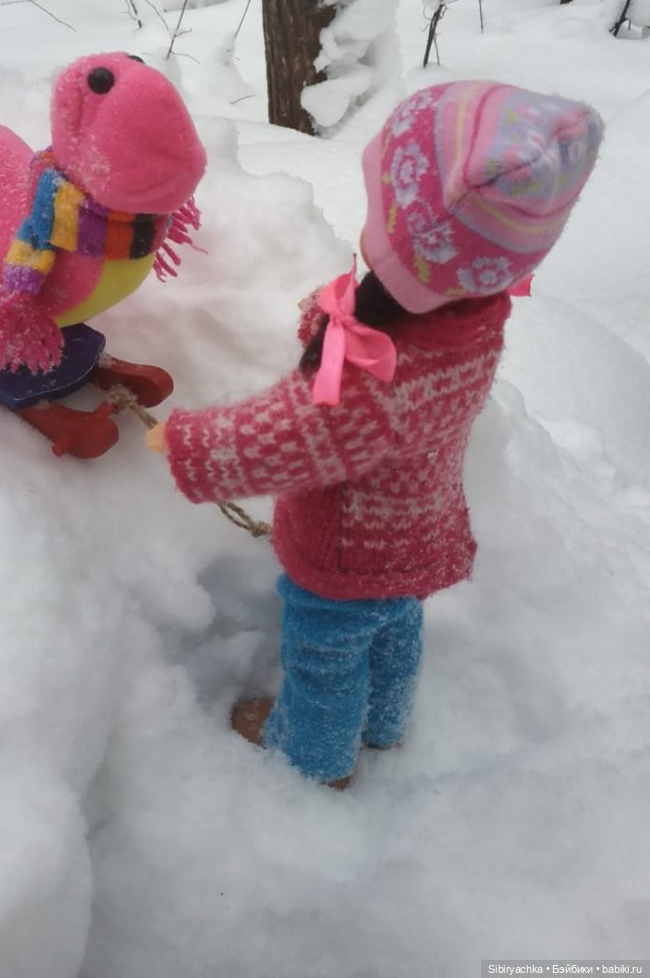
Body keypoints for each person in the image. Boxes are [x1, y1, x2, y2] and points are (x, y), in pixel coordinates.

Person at [145, 81, 603, 787]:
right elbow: (377, 370)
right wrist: (330, 329)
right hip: (417, 532)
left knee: (325, 652)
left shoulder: (379, 383)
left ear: (411, 248)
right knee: (395, 629)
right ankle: (386, 721)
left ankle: (315, 756)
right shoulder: (474, 311)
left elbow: (288, 436)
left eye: (382, 214)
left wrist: (188, 446)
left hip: (346, 555)